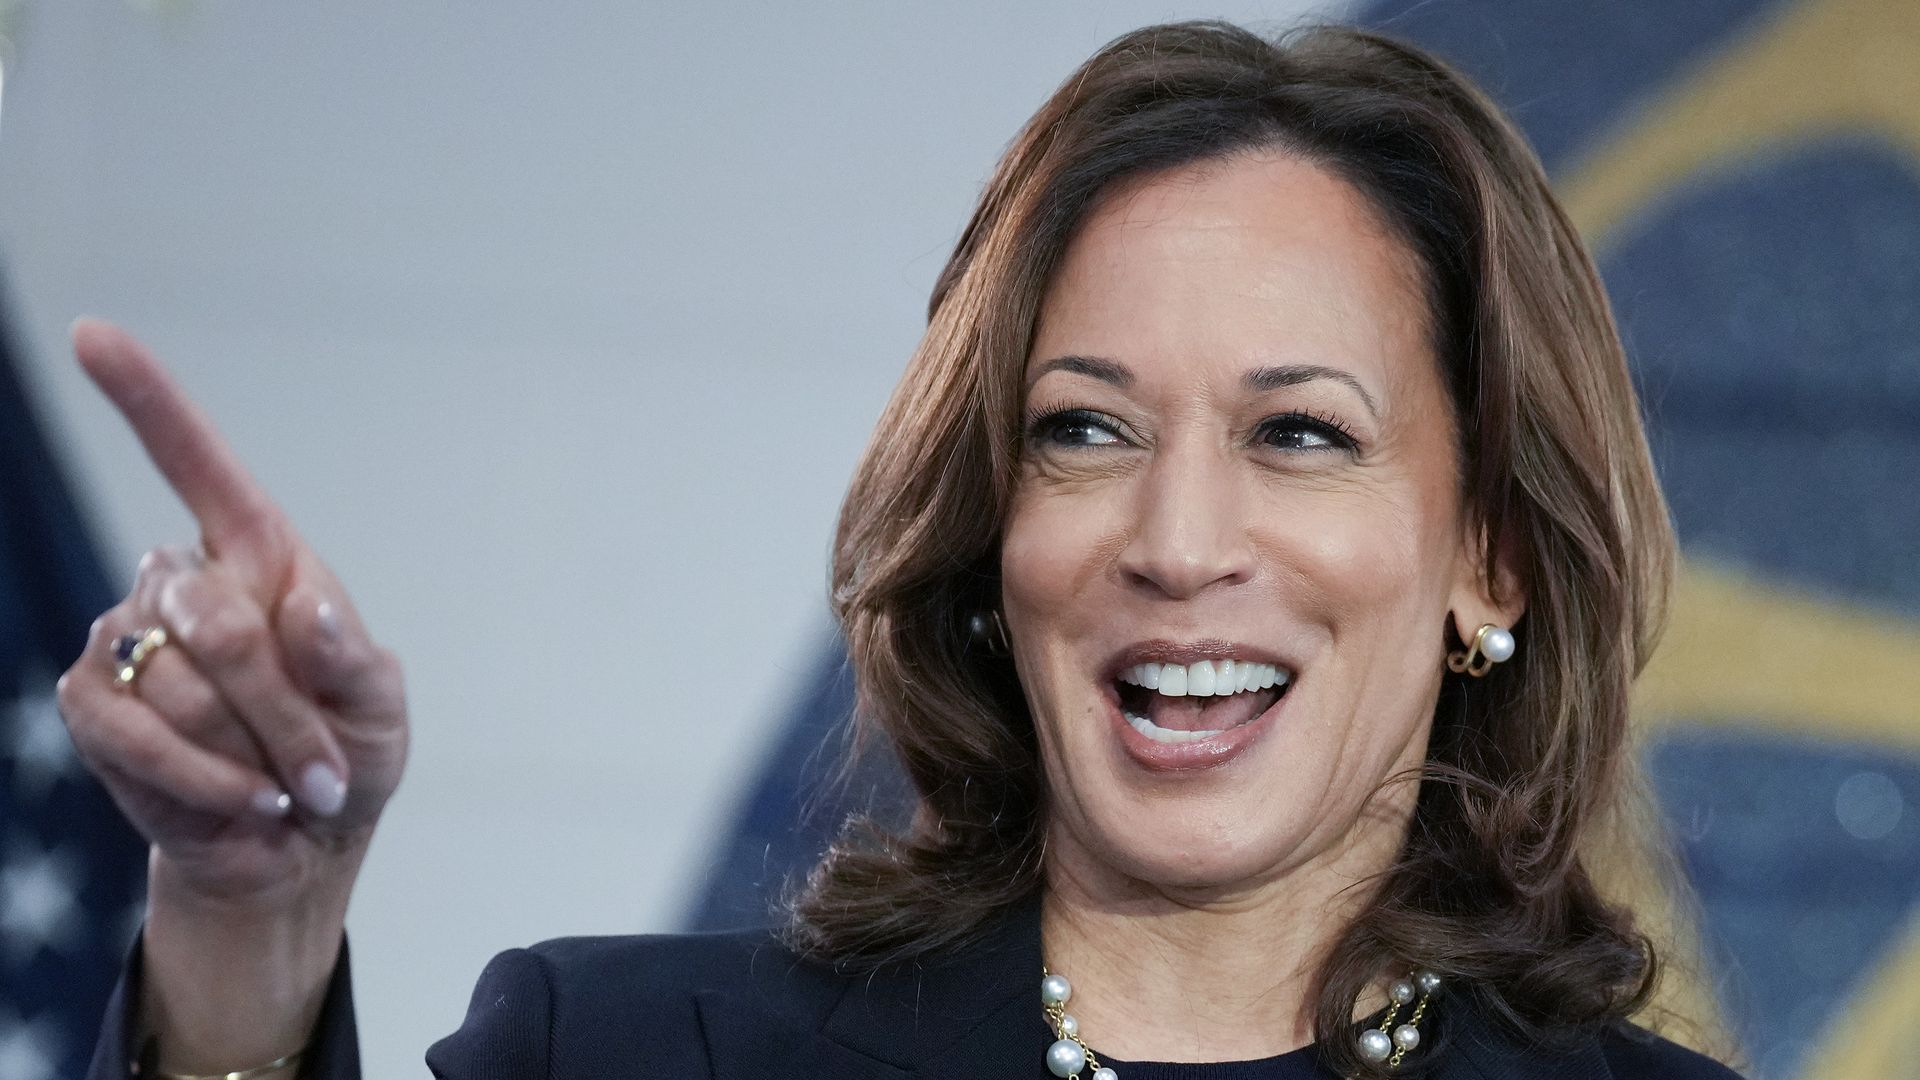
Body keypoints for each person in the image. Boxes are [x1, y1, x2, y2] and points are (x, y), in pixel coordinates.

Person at [65, 19, 1746, 1080]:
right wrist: (244, 927)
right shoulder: (625, 1056)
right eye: (1083, 429)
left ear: (1493, 560)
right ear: (989, 530)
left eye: (1298, 433)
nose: (1172, 541)